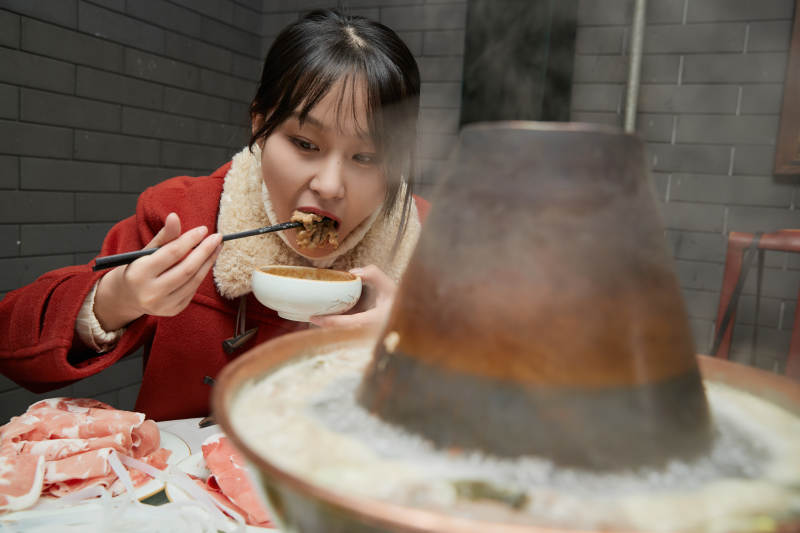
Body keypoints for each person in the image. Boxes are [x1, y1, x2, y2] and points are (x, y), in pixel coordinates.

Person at [0, 9, 428, 421]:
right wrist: (116, 299)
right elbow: (10, 341)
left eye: (367, 157)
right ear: (260, 125)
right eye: (305, 144)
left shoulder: (434, 244)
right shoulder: (185, 215)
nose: (330, 185)